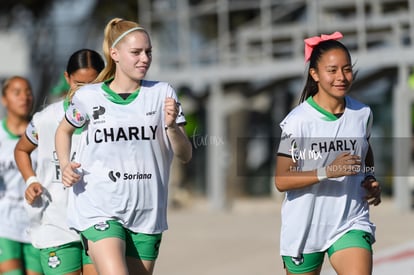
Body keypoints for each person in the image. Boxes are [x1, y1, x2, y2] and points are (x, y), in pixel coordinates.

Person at [54, 18, 192, 275]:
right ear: (114, 54)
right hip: (98, 208)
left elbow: (185, 155)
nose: (144, 59)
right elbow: (63, 130)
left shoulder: (163, 93)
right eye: (136, 52)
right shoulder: (88, 96)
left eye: (148, 52)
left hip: (147, 214)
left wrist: (172, 127)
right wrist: (64, 164)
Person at [274, 32, 382, 275]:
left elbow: (365, 152)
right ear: (315, 74)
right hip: (305, 227)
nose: (341, 77)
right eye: (332, 70)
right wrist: (327, 171)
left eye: (346, 69)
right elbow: (281, 180)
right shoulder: (297, 122)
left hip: (350, 222)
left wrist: (370, 179)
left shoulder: (363, 113)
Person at [14, 49, 105, 275]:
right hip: (57, 224)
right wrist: (30, 180)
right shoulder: (45, 119)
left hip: (101, 224)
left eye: (92, 84)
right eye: (78, 84)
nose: (84, 91)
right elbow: (21, 150)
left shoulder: (112, 118)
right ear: (67, 79)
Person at [0, 76, 42, 275]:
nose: (24, 97)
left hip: (36, 217)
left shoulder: (42, 131)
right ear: (4, 99)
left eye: (28, 92)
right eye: (16, 92)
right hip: (4, 221)